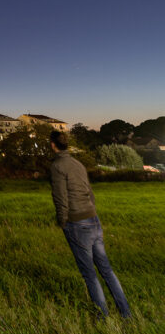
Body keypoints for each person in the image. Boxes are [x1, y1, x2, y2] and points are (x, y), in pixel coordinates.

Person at [49, 129, 131, 319]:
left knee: (89, 274)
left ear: (53, 145)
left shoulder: (57, 166)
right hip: (93, 219)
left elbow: (60, 198)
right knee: (106, 270)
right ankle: (126, 313)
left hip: (77, 223)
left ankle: (102, 317)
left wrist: (62, 222)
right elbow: (90, 193)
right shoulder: (78, 164)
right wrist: (91, 212)